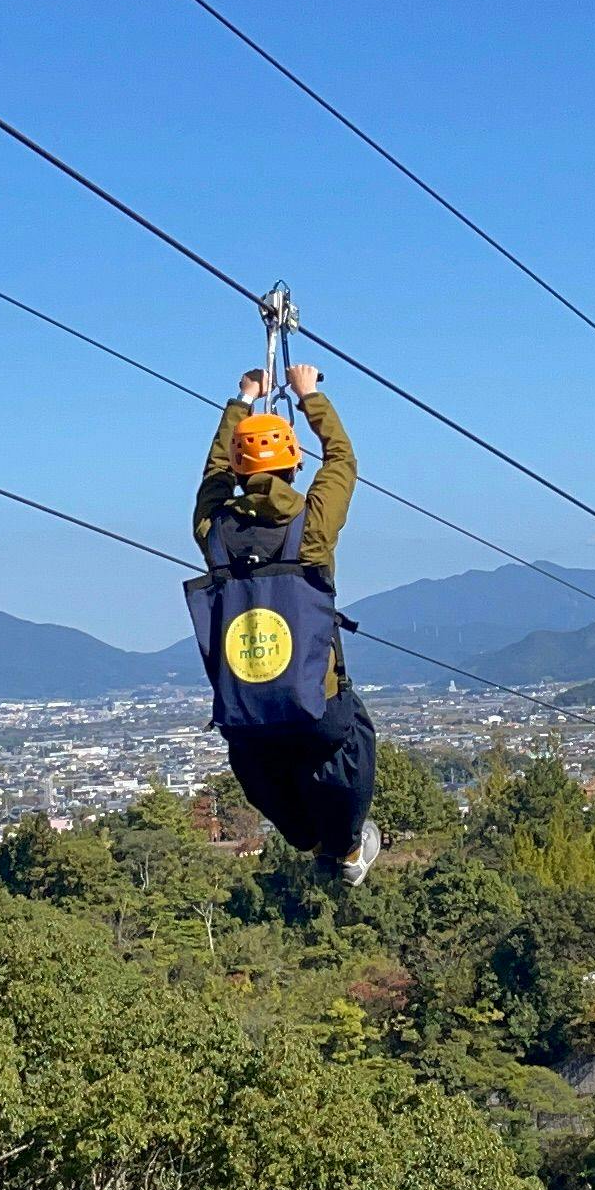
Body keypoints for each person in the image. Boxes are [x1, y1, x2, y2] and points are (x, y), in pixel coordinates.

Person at [193, 362, 380, 882]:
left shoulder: (215, 532)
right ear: (295, 464)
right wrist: (308, 395)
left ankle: (312, 839)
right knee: (350, 740)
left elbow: (213, 478)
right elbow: (342, 461)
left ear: (238, 468)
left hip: (246, 705)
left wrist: (244, 400)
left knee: (261, 765)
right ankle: (346, 848)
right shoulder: (311, 527)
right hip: (315, 701)